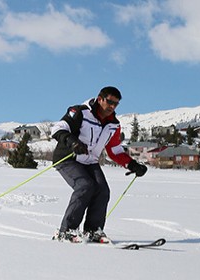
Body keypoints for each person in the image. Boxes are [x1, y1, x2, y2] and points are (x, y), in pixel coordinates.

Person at [50, 86, 147, 243]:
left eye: (116, 104)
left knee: (102, 190)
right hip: (69, 158)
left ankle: (93, 231)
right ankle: (66, 231)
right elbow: (58, 128)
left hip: (90, 161)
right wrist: (72, 141)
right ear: (100, 98)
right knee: (85, 186)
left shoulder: (113, 125)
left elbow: (115, 150)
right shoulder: (80, 112)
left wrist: (132, 165)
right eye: (109, 102)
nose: (112, 107)